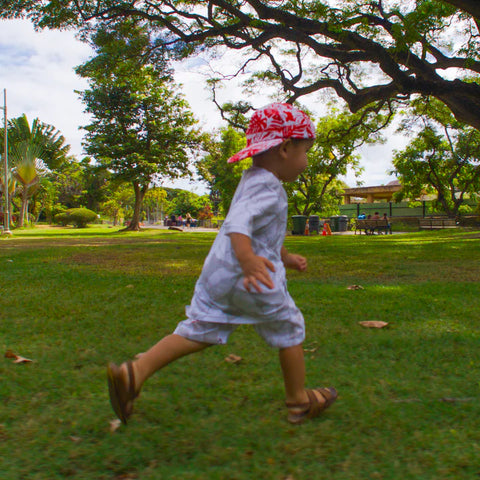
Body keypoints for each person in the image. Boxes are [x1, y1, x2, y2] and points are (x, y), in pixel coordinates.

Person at [107, 103, 337, 426]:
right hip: (251, 278)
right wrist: (248, 260)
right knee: (290, 327)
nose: (306, 161)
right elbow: (239, 224)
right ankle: (298, 400)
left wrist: (284, 255)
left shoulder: (251, 179)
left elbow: (259, 229)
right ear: (285, 148)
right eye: (305, 152)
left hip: (219, 275)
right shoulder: (270, 187)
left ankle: (134, 373)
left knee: (198, 329)